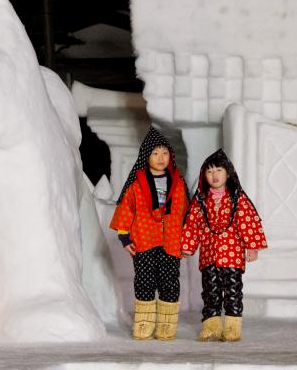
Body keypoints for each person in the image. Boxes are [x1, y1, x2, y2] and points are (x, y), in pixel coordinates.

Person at [110, 126, 189, 340]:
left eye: (164, 153)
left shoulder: (178, 183)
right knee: (144, 281)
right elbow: (126, 209)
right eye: (155, 153)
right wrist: (125, 236)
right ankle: (144, 323)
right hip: (144, 240)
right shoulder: (136, 184)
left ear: (170, 156)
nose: (161, 157)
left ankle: (166, 325)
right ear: (147, 156)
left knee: (170, 281)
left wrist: (188, 239)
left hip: (171, 241)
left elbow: (185, 213)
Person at [182, 149, 267, 342]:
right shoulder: (200, 200)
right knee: (210, 291)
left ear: (228, 173)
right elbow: (192, 224)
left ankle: (232, 328)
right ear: (204, 175)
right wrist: (188, 245)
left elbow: (248, 221)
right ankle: (211, 326)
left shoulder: (238, 199)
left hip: (232, 255)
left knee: (232, 291)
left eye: (218, 170)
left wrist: (251, 246)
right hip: (209, 255)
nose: (214, 175)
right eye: (209, 171)